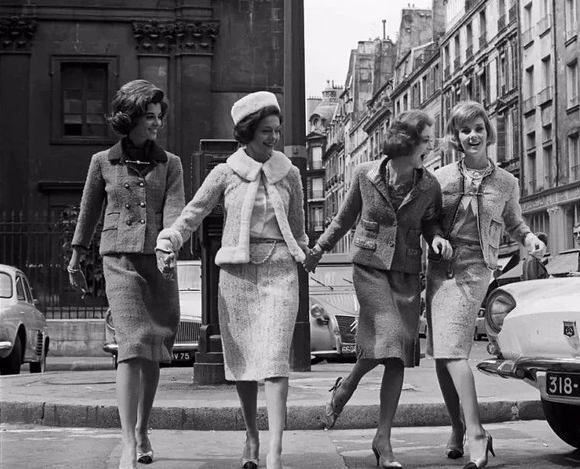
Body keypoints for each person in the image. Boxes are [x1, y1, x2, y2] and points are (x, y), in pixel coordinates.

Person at [155, 91, 308, 469]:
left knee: (275, 361)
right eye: (266, 131)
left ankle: (275, 450)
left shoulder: (289, 172)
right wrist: (170, 240)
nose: (273, 138)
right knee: (244, 363)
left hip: (280, 271)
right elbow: (193, 213)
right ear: (248, 131)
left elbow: (300, 229)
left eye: (276, 130)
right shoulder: (225, 172)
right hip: (237, 276)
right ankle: (251, 435)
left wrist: (308, 254)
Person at [303, 110, 453, 468]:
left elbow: (430, 223)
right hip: (369, 268)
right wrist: (318, 250)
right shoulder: (365, 174)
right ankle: (350, 388)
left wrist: (436, 240)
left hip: (406, 273)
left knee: (395, 354)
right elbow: (344, 218)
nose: (430, 146)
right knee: (391, 337)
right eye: (426, 140)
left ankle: (381, 435)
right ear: (406, 142)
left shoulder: (430, 185)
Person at [68, 80, 184, 469]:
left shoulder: (170, 163)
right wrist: (76, 254)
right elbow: (89, 210)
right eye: (149, 116)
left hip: (158, 262)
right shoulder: (102, 161)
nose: (156, 123)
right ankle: (127, 443)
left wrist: (169, 246)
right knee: (131, 344)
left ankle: (143, 428)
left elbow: (175, 211)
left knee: (152, 347)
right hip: (117, 259)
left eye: (159, 117)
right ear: (130, 117)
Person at [426, 101, 546, 469]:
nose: (472, 135)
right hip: (440, 269)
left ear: (488, 132)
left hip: (476, 268)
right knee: (442, 354)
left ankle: (476, 432)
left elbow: (515, 223)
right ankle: (457, 427)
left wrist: (529, 240)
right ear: (456, 136)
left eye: (478, 128)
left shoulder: (506, 182)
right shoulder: (440, 178)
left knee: (452, 350)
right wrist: (435, 237)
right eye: (465, 130)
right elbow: (429, 221)